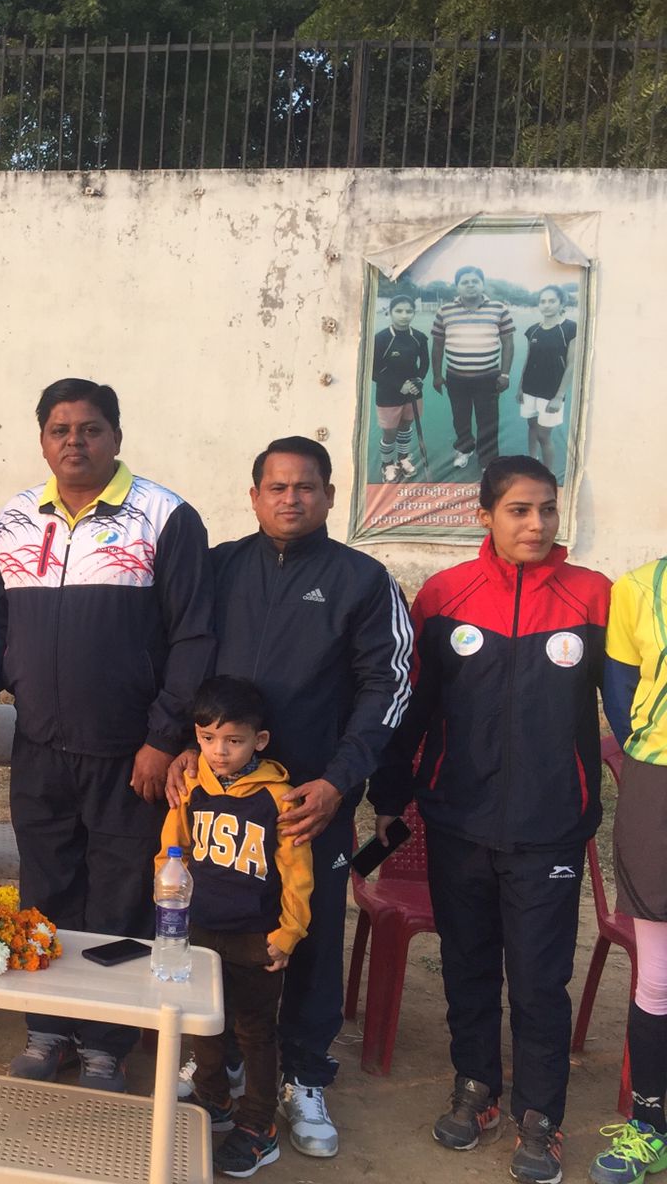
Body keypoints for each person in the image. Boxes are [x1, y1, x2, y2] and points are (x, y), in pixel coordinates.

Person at [0, 376, 213, 1091]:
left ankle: (107, 1044)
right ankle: (48, 1030)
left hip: (128, 756)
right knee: (47, 891)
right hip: (41, 748)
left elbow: (194, 638)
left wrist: (162, 738)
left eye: (89, 429)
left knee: (118, 898)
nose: (74, 442)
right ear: (43, 441)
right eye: (60, 430)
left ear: (116, 436)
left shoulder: (166, 517)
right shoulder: (18, 518)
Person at [168, 435, 412, 1157]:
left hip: (309, 802)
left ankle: (304, 1074)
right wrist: (187, 742)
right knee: (216, 924)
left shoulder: (363, 580)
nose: (291, 498)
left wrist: (339, 780)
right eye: (276, 487)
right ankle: (220, 1063)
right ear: (254, 496)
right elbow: (185, 661)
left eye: (306, 486)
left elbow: (388, 685)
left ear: (330, 496)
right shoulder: (220, 567)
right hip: (220, 799)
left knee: (307, 930)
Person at [371, 455, 609, 1184]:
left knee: (538, 980)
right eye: (519, 510)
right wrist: (390, 796)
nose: (536, 524)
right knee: (469, 966)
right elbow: (412, 708)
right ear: (484, 515)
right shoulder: (445, 595)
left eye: (547, 509)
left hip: (551, 827)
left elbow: (630, 708)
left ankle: (541, 1116)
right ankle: (476, 1088)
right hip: (458, 820)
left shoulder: (593, 596)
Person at [161, 677, 313, 1179]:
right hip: (201, 930)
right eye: (208, 738)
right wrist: (171, 916)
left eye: (233, 740)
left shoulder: (278, 797)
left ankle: (258, 1126)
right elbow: (171, 854)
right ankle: (213, 1099)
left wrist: (289, 933)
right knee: (205, 1022)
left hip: (255, 936)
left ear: (258, 740)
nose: (219, 751)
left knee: (255, 1032)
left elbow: (297, 874)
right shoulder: (192, 788)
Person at [591, 554, 667, 1184]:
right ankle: (650, 1125)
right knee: (659, 977)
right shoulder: (641, 587)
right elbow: (619, 693)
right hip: (658, 783)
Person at [430, 264, 515, 471]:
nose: (470, 285)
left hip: (488, 377)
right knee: (460, 418)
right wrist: (437, 375)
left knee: (488, 420)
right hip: (456, 377)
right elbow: (438, 345)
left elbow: (508, 343)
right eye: (465, 282)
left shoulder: (499, 309)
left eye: (475, 281)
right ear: (457, 286)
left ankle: (487, 459)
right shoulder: (444, 311)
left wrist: (505, 374)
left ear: (482, 284)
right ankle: (465, 449)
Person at [517, 285, 579, 476]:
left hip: (551, 393)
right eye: (543, 301)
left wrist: (559, 396)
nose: (547, 305)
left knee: (544, 435)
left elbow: (571, 365)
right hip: (529, 389)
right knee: (531, 427)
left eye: (552, 301)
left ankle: (547, 474)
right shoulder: (533, 330)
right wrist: (520, 387)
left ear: (561, 303)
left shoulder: (570, 328)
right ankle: (532, 460)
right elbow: (528, 360)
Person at [372, 295, 429, 482]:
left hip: (413, 392)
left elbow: (424, 363)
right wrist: (399, 385)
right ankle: (387, 464)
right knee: (390, 433)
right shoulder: (381, 338)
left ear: (414, 313)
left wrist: (418, 380)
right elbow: (373, 371)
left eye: (409, 311)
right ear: (390, 312)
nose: (404, 315)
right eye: (399, 311)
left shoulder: (419, 337)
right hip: (388, 394)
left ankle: (403, 458)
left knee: (405, 427)